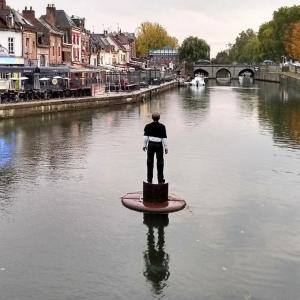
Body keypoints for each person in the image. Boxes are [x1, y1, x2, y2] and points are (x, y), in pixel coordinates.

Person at [143, 112, 168, 184]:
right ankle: (160, 180)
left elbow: (145, 137)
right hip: (159, 145)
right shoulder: (162, 127)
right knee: (160, 163)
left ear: (152, 118)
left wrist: (144, 145)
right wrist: (166, 147)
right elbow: (164, 138)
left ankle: (149, 180)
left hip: (151, 144)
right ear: (159, 118)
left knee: (149, 162)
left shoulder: (148, 126)